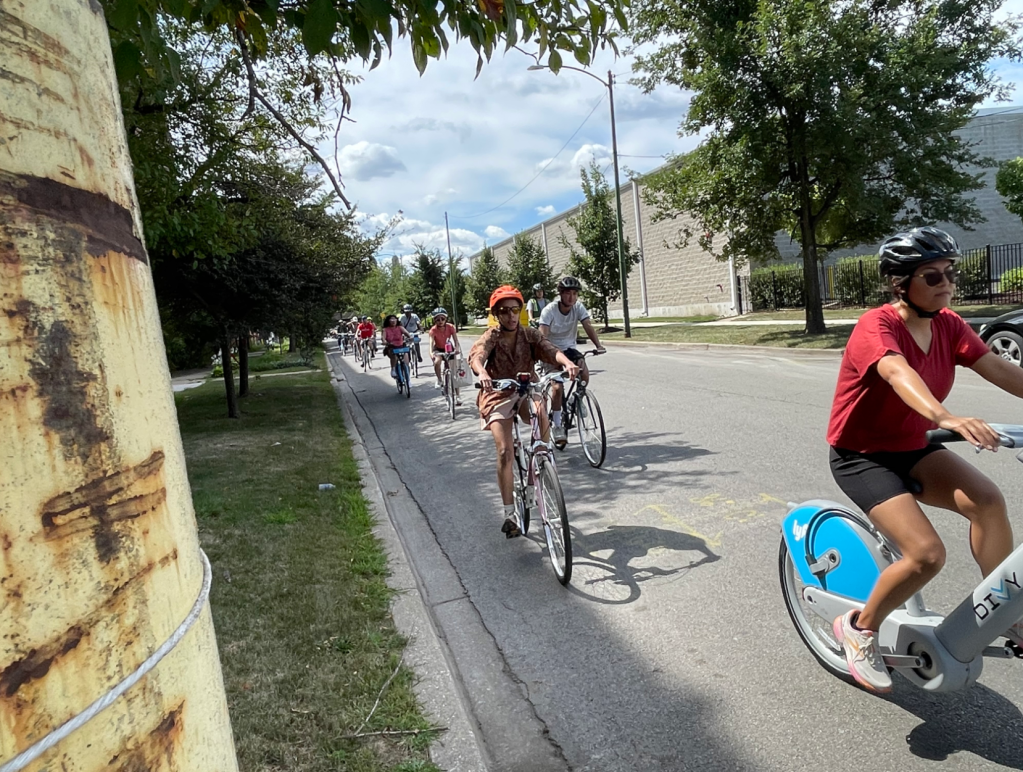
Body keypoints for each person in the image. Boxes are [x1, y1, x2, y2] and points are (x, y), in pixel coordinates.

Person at [826, 226, 1023, 693]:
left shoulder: (949, 324)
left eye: (949, 274)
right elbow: (897, 372)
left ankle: (1007, 614)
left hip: (913, 446)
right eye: (932, 276)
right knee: (926, 555)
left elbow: (1000, 370)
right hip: (862, 457)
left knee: (988, 501)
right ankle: (860, 628)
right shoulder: (877, 325)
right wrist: (945, 416)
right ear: (901, 283)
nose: (945, 284)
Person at [469, 286, 579, 538]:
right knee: (506, 451)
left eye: (515, 310)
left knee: (541, 417)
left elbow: (550, 349)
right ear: (496, 313)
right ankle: (509, 514)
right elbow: (477, 356)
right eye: (504, 311)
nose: (510, 316)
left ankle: (541, 462)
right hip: (498, 393)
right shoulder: (492, 336)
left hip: (527, 389)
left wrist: (567, 362)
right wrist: (483, 372)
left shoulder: (529, 335)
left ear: (520, 311)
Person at [539, 275, 605, 447]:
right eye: (568, 293)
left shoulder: (578, 308)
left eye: (575, 294)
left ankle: (575, 401)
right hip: (551, 351)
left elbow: (587, 325)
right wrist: (545, 352)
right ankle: (558, 424)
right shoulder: (549, 310)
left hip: (569, 349)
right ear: (561, 294)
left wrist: (598, 345)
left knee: (584, 373)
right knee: (557, 387)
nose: (572, 297)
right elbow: (542, 336)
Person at [427, 308, 461, 399]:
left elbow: (456, 341)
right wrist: (431, 353)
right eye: (437, 319)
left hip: (449, 348)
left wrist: (457, 348)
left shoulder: (450, 327)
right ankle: (439, 379)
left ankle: (458, 395)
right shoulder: (433, 330)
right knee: (437, 361)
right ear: (434, 320)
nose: (440, 321)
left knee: (454, 373)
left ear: (446, 319)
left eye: (442, 319)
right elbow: (431, 344)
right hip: (438, 349)